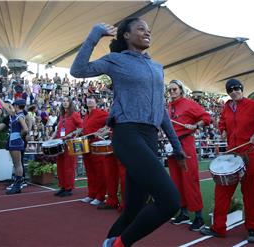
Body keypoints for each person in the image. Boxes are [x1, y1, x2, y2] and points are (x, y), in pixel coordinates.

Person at [70, 18, 186, 247]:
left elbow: (160, 110)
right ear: (126, 35)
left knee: (134, 209)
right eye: (141, 28)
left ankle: (109, 243)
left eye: (149, 30)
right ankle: (119, 245)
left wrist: (178, 147)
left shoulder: (157, 67)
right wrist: (95, 35)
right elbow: (78, 70)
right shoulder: (116, 60)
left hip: (150, 137)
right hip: (127, 134)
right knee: (170, 201)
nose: (147, 32)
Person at [200, 79, 254, 243]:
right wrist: (223, 131)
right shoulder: (227, 106)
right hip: (231, 155)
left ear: (242, 89)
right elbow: (222, 122)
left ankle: (253, 228)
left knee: (249, 193)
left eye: (236, 88)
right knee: (221, 192)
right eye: (230, 90)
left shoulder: (253, 105)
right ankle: (218, 228)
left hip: (248, 154)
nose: (234, 91)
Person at [167, 79, 211, 231]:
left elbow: (206, 117)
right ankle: (184, 213)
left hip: (186, 144)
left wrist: (196, 125)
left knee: (190, 180)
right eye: (170, 90)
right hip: (172, 146)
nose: (172, 92)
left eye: (174, 89)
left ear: (180, 89)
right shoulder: (168, 106)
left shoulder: (189, 103)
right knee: (176, 181)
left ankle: (199, 217)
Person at [0, 91, 28, 195]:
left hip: (16, 141)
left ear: (17, 106)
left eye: (13, 105)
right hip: (13, 141)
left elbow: (25, 129)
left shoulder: (20, 116)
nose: (12, 107)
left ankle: (17, 186)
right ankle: (17, 184)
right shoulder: (16, 114)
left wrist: (19, 136)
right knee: (16, 164)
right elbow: (4, 106)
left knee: (17, 164)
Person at [51, 96, 83, 197]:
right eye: (63, 101)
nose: (65, 103)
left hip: (70, 144)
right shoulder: (61, 115)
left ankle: (68, 188)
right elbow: (58, 130)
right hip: (60, 144)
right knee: (60, 166)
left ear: (70, 103)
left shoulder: (74, 114)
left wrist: (72, 134)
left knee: (69, 167)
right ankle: (63, 187)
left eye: (67, 101)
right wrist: (51, 139)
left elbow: (81, 128)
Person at [79, 95, 108, 205]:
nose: (90, 100)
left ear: (96, 102)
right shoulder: (86, 115)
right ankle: (91, 194)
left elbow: (111, 122)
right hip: (86, 145)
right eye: (88, 99)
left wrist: (104, 129)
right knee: (90, 171)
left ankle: (100, 196)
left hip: (97, 146)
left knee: (99, 171)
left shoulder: (101, 113)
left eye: (92, 99)